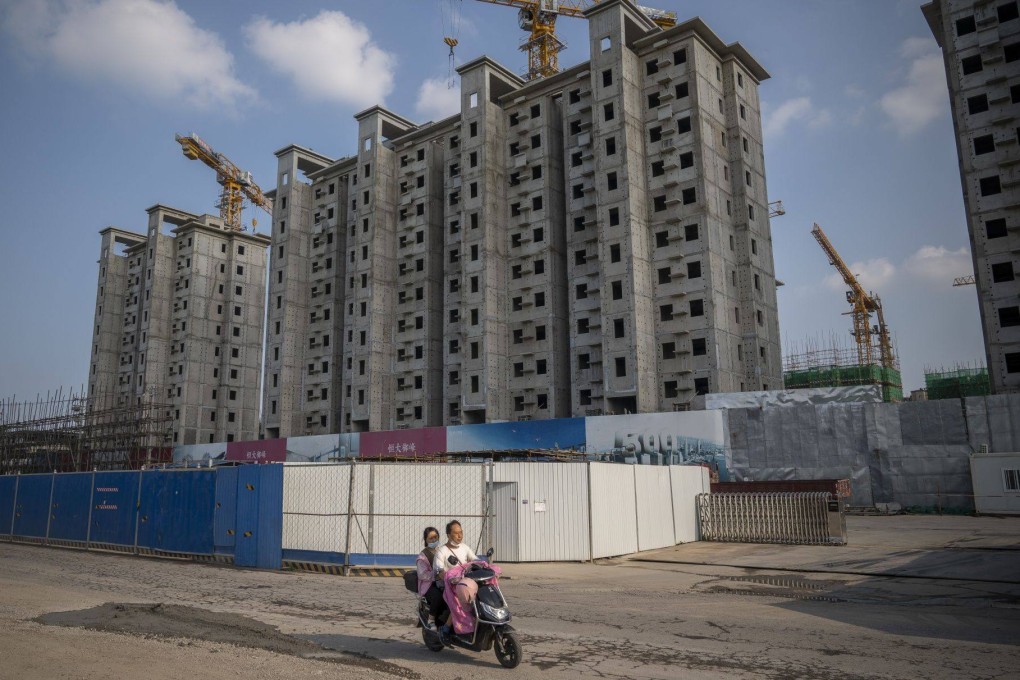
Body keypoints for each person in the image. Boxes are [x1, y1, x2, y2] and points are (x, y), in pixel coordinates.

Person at [433, 519, 478, 640]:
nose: (460, 535)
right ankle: (446, 629)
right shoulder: (442, 551)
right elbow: (439, 571)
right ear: (448, 535)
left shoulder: (465, 548)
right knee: (459, 601)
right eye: (456, 533)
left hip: (464, 584)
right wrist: (449, 577)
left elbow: (475, 561)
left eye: (461, 532)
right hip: (448, 585)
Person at [416, 527, 446, 628]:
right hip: (429, 585)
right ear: (426, 540)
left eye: (435, 537)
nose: (433, 540)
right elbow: (422, 574)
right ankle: (431, 620)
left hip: (443, 581)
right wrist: (436, 575)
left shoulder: (442, 551)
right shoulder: (423, 556)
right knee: (438, 596)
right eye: (430, 538)